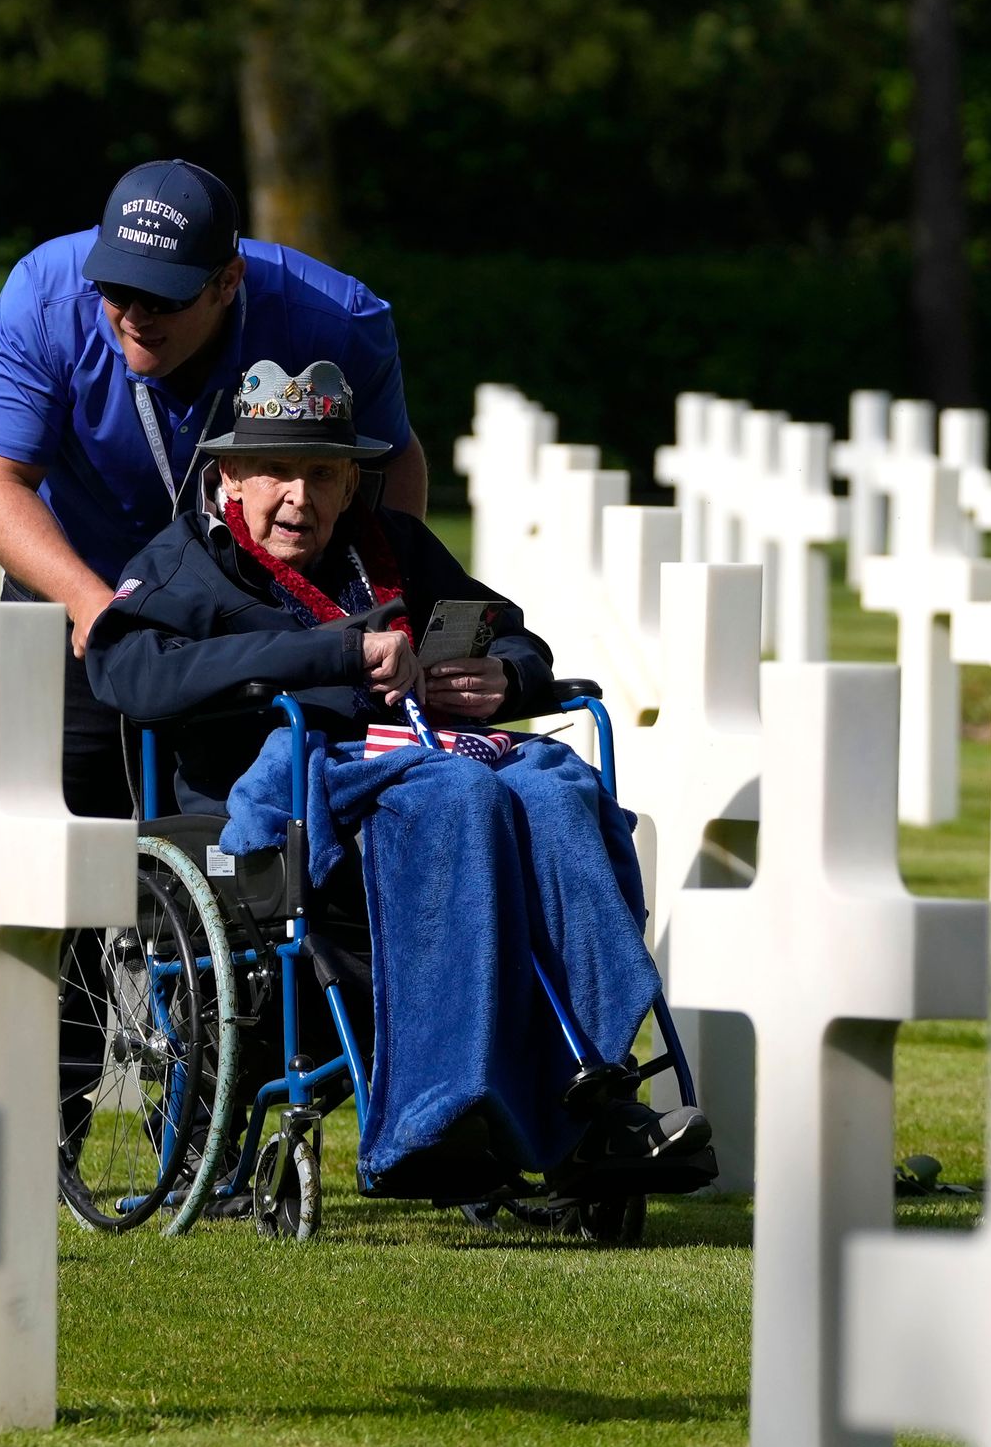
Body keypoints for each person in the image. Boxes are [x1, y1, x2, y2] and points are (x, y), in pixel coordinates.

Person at [84, 357, 705, 1203]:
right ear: (228, 473)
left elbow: (514, 638)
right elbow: (130, 676)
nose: (297, 498)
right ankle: (438, 1111)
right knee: (459, 797)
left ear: (351, 484)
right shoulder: (186, 565)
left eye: (323, 475)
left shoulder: (392, 548)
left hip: (424, 768)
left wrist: (506, 682)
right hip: (281, 799)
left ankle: (597, 1089)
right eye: (275, 473)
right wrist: (332, 652)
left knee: (558, 790)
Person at [0, 159, 432, 819]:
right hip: (79, 585)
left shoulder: (337, 321)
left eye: (164, 298)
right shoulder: (43, 297)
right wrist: (89, 601)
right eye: (117, 291)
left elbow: (392, 459)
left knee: (256, 834)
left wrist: (378, 602)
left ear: (228, 281)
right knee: (58, 841)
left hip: (261, 609)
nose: (134, 316)